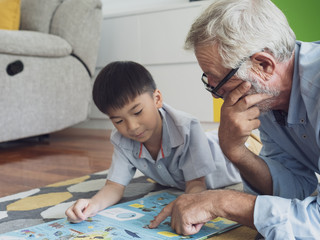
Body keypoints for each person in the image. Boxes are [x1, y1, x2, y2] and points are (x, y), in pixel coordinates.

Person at [148, 0, 320, 239]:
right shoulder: (268, 96)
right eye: (208, 80)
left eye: (220, 80)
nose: (217, 93)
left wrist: (221, 202)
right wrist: (235, 150)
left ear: (263, 64)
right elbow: (297, 188)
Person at [65, 61, 242, 223]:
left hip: (227, 155)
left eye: (137, 112)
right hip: (200, 153)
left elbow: (196, 185)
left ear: (157, 99)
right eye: (118, 121)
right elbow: (114, 186)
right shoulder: (121, 140)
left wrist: (187, 209)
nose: (132, 127)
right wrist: (91, 205)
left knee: (252, 146)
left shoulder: (187, 128)